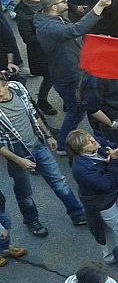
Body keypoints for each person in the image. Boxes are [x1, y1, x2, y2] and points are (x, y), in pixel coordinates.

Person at [0, 71, 86, 238]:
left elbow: (33, 113)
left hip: (38, 146)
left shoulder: (18, 88)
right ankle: (31, 220)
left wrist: (47, 135)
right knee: (25, 193)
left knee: (59, 181)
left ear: (6, 85)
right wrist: (19, 160)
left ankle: (78, 214)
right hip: (15, 154)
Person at [35, 0, 111, 151]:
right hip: (69, 76)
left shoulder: (50, 19)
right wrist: (98, 7)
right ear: (54, 7)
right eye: (63, 0)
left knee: (83, 106)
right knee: (76, 111)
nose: (67, 1)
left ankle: (96, 133)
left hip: (73, 70)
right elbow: (73, 31)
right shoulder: (49, 27)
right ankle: (63, 145)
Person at [67, 130, 118, 264]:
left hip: (110, 196)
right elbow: (107, 185)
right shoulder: (81, 169)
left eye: (90, 137)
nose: (93, 141)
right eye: (88, 142)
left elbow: (109, 145)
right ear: (80, 150)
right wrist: (114, 160)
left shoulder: (95, 148)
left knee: (110, 227)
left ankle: (113, 254)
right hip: (102, 202)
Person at [13, 0, 56, 114]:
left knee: (58, 73)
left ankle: (67, 99)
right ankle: (42, 100)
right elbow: (28, 38)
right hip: (40, 52)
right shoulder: (23, 14)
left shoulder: (44, 2)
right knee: (50, 76)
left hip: (53, 46)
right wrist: (47, 32)